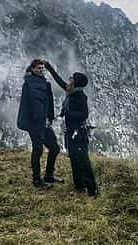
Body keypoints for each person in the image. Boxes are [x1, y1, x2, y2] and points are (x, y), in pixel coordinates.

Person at [44, 61, 99, 198]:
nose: (69, 79)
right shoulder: (71, 91)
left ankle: (92, 190)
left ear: (76, 82)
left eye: (71, 78)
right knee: (74, 159)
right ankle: (80, 187)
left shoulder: (80, 96)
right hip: (71, 132)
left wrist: (67, 113)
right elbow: (59, 81)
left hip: (78, 133)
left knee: (83, 160)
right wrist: (49, 67)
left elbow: (84, 114)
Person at [17, 59, 63, 189]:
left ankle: (48, 176)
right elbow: (36, 104)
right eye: (38, 68)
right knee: (38, 150)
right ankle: (37, 181)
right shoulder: (31, 83)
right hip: (36, 123)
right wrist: (42, 121)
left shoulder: (42, 82)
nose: (41, 70)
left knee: (54, 148)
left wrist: (49, 118)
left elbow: (46, 103)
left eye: (42, 68)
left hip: (44, 122)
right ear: (32, 69)